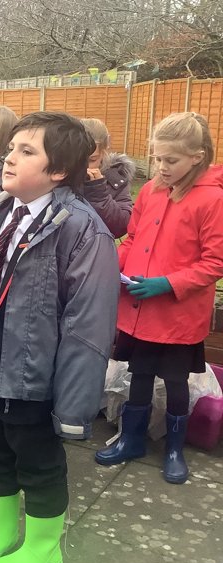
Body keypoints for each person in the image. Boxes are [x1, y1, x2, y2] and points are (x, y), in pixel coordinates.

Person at [0, 112, 119, 563]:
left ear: (58, 170)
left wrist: (73, 406)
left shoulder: (82, 229)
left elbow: (88, 324)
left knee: (35, 456)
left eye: (27, 151)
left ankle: (43, 545)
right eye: (11, 147)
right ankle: (0, 528)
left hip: (32, 369)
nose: (10, 157)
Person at [95, 112, 223, 485]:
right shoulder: (151, 190)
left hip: (178, 313)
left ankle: (173, 448)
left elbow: (214, 261)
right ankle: (132, 439)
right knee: (140, 372)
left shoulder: (213, 200)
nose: (161, 167)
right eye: (156, 158)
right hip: (140, 307)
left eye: (171, 160)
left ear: (197, 156)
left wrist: (167, 283)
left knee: (176, 380)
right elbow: (134, 238)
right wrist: (111, 264)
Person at [80, 118, 135, 238]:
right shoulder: (58, 175)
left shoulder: (115, 180)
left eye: (92, 160)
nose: (84, 166)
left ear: (104, 152)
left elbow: (121, 226)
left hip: (97, 249)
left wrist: (99, 194)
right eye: (78, 158)